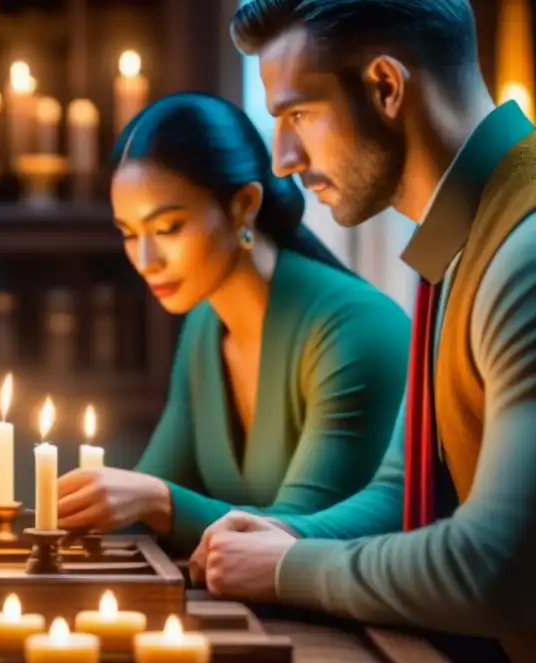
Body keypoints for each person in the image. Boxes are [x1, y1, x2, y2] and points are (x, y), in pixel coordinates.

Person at [190, 0, 536, 663]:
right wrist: (286, 532)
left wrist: (289, 567)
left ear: (385, 86)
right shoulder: (459, 237)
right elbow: (401, 490)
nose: (283, 162)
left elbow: (496, 569)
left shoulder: (523, 254)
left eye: (297, 116)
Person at [55, 91, 410, 555]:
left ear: (244, 204)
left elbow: (292, 536)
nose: (145, 261)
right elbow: (148, 493)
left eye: (167, 229)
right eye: (129, 234)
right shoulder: (205, 324)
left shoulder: (354, 330)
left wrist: (158, 501)